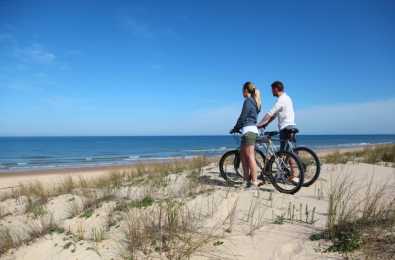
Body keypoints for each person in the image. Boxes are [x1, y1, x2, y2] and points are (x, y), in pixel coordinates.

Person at [257, 81, 298, 181]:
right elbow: (274, 115)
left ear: (276, 89)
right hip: (290, 127)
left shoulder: (281, 100)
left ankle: (291, 174)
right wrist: (266, 124)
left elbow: (270, 113)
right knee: (288, 152)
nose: (271, 92)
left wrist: (259, 124)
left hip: (285, 128)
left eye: (272, 90)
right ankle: (291, 174)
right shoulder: (287, 98)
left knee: (283, 153)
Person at [230, 81, 261, 188]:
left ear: (246, 90)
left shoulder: (248, 101)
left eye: (242, 90)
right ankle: (246, 180)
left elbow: (243, 117)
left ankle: (254, 182)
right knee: (243, 156)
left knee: (250, 157)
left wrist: (235, 128)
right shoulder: (255, 102)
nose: (242, 93)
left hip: (249, 131)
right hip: (247, 131)